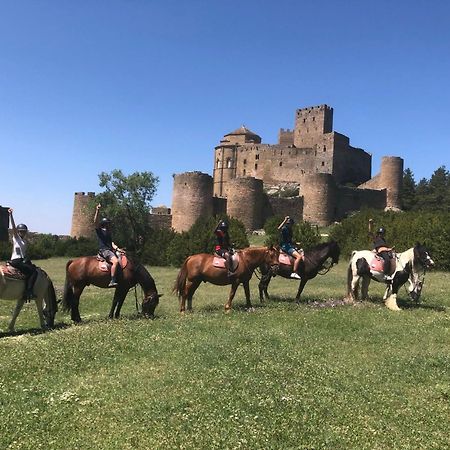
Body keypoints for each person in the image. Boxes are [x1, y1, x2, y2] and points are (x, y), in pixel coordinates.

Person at [8, 208, 38, 300]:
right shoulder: (16, 238)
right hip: (16, 261)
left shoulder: (25, 241)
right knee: (33, 272)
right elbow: (13, 227)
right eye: (20, 231)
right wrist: (11, 215)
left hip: (22, 260)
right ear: (18, 231)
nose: (22, 232)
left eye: (23, 231)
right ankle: (28, 291)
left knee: (32, 268)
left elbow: (24, 254)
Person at [94, 204, 124, 287]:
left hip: (110, 250)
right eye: (109, 224)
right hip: (105, 251)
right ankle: (112, 280)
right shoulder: (100, 230)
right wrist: (97, 210)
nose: (110, 225)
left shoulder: (108, 233)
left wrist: (118, 249)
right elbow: (95, 222)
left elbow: (112, 243)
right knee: (116, 261)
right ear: (105, 224)